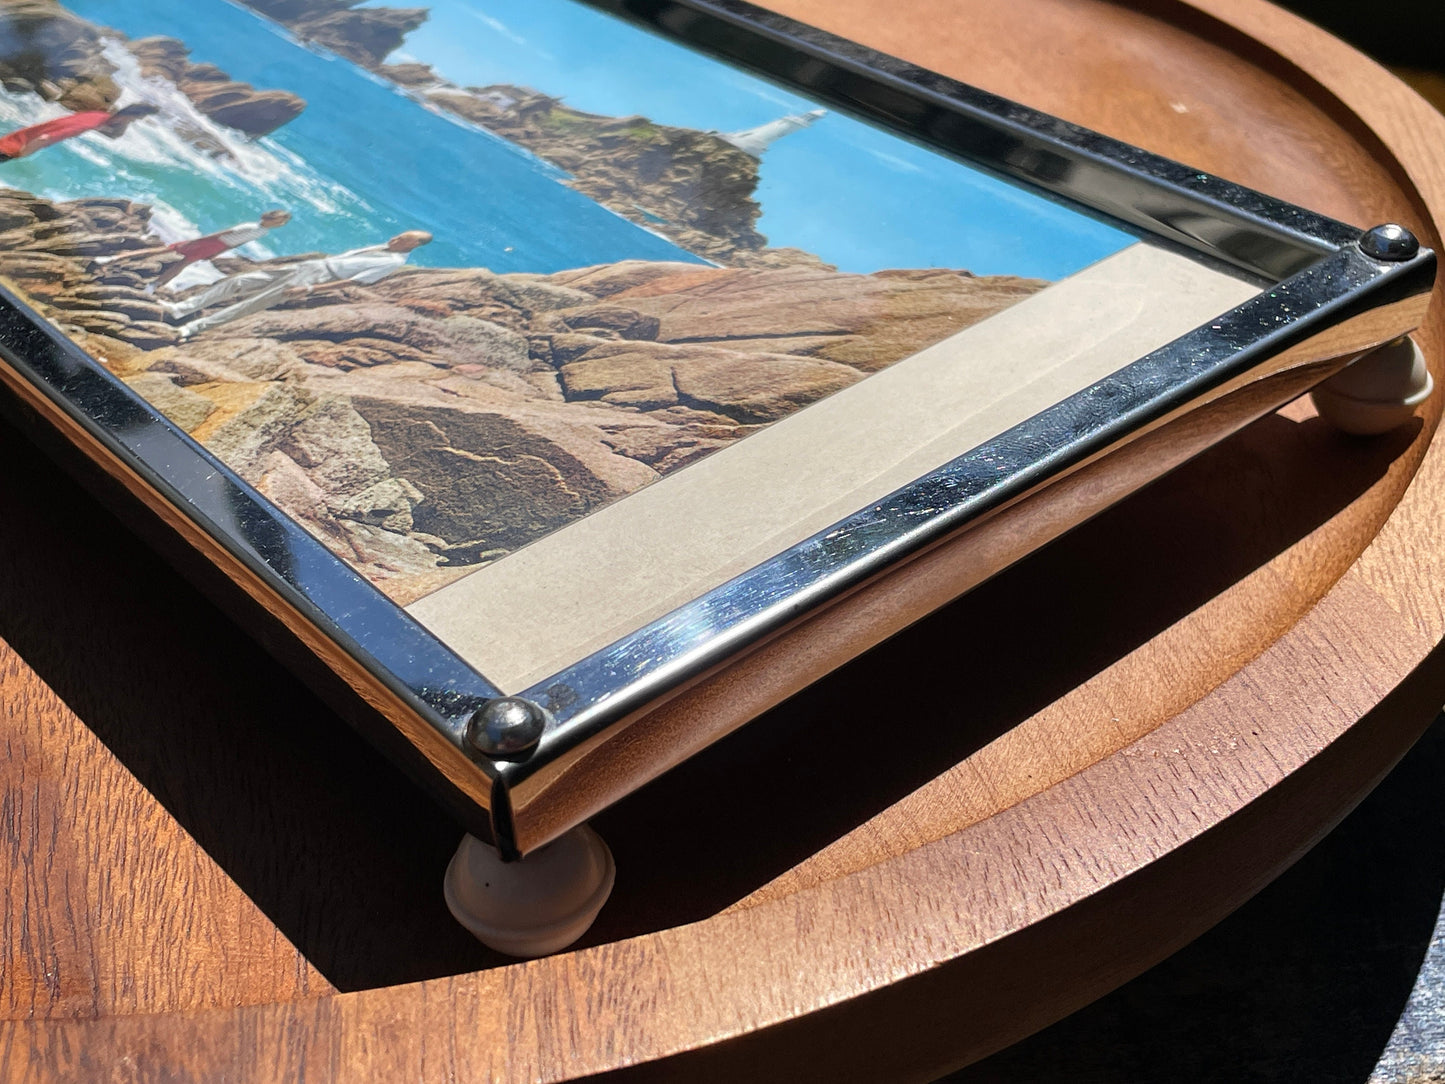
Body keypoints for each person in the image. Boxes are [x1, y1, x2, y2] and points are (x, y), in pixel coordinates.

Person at [166, 230, 432, 338]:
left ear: (414, 245)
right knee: (239, 281)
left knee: (250, 305)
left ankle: (192, 327)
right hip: (309, 267)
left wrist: (308, 289)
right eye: (400, 234)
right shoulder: (383, 247)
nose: (397, 238)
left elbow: (354, 281)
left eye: (404, 238)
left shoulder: (392, 261)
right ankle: (182, 308)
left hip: (319, 277)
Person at [138, 210, 293, 290]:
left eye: (282, 223)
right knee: (171, 250)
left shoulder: (262, 232)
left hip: (219, 246)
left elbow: (238, 243)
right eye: (280, 221)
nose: (280, 224)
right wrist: (198, 240)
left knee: (183, 263)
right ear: (271, 218)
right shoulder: (251, 226)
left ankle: (156, 284)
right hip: (212, 242)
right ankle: (129, 258)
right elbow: (224, 233)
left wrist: (217, 253)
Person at [0, 103, 159, 161]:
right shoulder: (91, 123)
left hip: (9, 140)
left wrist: (127, 118)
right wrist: (22, 154)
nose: (133, 122)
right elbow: (44, 138)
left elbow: (114, 134)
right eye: (135, 119)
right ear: (130, 116)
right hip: (11, 149)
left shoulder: (97, 115)